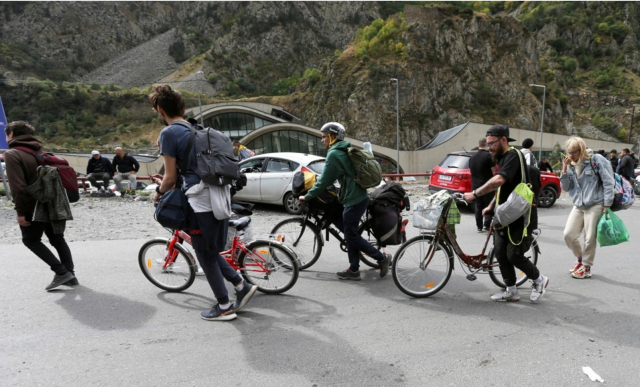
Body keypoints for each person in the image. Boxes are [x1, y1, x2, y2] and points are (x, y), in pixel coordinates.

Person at [150, 84, 256, 321]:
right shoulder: (195, 129)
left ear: (159, 110)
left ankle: (224, 305)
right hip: (217, 194)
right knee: (207, 249)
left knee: (203, 252)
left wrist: (158, 192)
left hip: (199, 201)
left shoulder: (168, 133)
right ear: (184, 107)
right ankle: (241, 286)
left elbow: (170, 178)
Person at [462, 125, 549, 303]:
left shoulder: (512, 156)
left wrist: (475, 194)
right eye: (487, 144)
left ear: (504, 140)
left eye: (492, 143)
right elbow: (503, 188)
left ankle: (539, 280)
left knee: (514, 255)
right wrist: (491, 206)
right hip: (505, 213)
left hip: (519, 215)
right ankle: (511, 290)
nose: (489, 148)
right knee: (500, 253)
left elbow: (499, 180)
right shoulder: (501, 158)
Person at [299, 122, 391, 281]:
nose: (322, 140)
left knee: (351, 236)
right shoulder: (341, 149)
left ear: (332, 136)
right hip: (354, 197)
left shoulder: (334, 154)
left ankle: (381, 258)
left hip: (354, 200)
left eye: (324, 137)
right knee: (339, 222)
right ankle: (354, 269)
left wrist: (307, 196)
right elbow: (330, 176)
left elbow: (324, 180)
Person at [3, 121, 77, 291]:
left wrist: (20, 212)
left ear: (12, 134)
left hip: (33, 205)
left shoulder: (12, 154)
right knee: (57, 239)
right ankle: (70, 274)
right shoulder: (41, 151)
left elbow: (18, 188)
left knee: (31, 240)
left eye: (7, 134)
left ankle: (61, 272)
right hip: (53, 202)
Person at [560, 137, 614, 279]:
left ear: (581, 150)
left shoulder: (596, 160)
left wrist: (607, 204)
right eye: (569, 152)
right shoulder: (570, 164)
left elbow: (608, 182)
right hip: (579, 204)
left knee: (589, 237)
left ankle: (587, 266)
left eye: (574, 152)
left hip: (596, 202)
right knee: (568, 234)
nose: (571, 155)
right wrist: (564, 170)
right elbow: (565, 188)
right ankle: (580, 259)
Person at [468, 138, 494, 232]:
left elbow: (471, 171)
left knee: (478, 206)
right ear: (486, 144)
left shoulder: (472, 157)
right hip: (487, 186)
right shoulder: (488, 156)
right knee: (488, 205)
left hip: (476, 186)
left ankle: (479, 226)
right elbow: (494, 171)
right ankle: (486, 225)